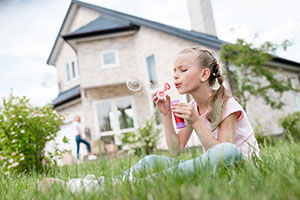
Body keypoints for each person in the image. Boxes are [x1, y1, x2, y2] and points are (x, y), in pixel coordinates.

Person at [39, 47, 260, 193]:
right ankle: (105, 186)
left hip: (240, 168)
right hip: (214, 169)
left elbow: (224, 152)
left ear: (204, 75)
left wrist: (197, 122)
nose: (175, 75)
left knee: (227, 151)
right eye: (174, 70)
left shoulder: (227, 104)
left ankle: (121, 186)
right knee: (150, 161)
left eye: (182, 70)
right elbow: (175, 150)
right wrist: (165, 115)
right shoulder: (191, 107)